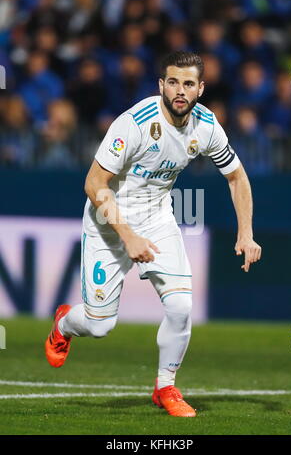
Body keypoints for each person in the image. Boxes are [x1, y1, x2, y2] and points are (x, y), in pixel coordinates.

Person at [45, 51, 262, 417]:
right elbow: (94, 183)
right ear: (161, 84)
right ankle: (65, 323)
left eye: (188, 83)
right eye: (173, 82)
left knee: (181, 306)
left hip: (157, 218)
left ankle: (166, 388)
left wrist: (246, 232)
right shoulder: (135, 122)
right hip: (108, 220)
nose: (180, 90)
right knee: (99, 326)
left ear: (200, 88)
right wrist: (127, 236)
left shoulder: (207, 126)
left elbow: (237, 176)